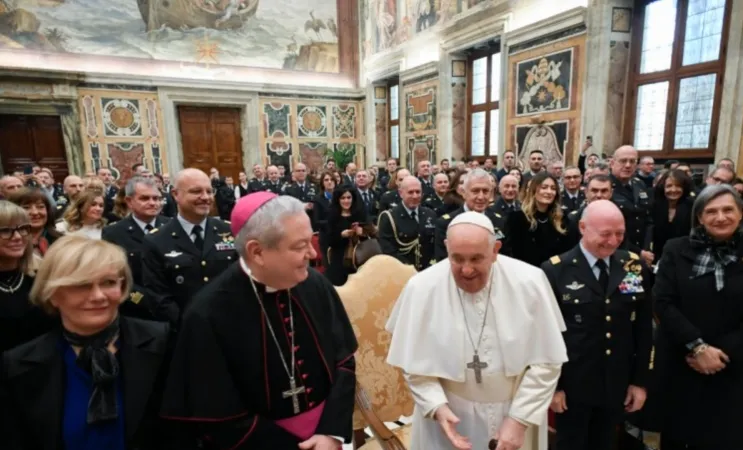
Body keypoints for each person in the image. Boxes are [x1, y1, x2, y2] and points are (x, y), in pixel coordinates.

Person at [160, 192, 358, 449]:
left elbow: (344, 359)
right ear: (257, 251)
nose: (312, 254)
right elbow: (218, 414)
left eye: (311, 241)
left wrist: (332, 432)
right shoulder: (207, 313)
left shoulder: (315, 284)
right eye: (299, 246)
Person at [386, 211, 568, 450]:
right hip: (450, 419)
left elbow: (548, 362)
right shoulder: (422, 287)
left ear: (495, 250)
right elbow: (414, 366)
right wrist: (437, 407)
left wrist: (519, 419)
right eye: (457, 258)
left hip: (516, 413)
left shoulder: (530, 282)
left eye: (476, 259)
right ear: (446, 247)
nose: (467, 270)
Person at [0, 236, 172, 449]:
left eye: (108, 282)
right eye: (81, 285)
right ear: (52, 294)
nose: (98, 296)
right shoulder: (19, 366)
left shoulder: (162, 344)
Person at [541, 200, 653, 450]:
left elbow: (643, 329)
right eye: (605, 234)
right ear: (583, 227)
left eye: (620, 234)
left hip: (617, 384)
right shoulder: (555, 270)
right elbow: (545, 335)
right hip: (573, 386)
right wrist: (554, 387)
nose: (613, 241)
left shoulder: (632, 266)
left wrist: (640, 381)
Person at [653, 185, 743, 449]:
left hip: (734, 367)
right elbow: (663, 302)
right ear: (700, 217)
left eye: (728, 210)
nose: (721, 217)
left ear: (740, 213)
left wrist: (721, 353)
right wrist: (698, 346)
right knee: (679, 438)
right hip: (684, 363)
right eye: (711, 211)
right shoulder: (675, 249)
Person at [141, 168, 236, 326]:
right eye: (196, 191)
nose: (205, 197)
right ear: (175, 195)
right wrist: (191, 323)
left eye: (209, 191)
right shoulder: (156, 240)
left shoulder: (229, 231)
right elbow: (157, 296)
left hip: (229, 327)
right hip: (183, 332)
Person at [102, 177, 170, 321]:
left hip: (172, 306)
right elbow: (116, 275)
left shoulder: (172, 227)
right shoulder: (114, 233)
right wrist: (146, 301)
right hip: (136, 310)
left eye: (157, 198)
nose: (153, 203)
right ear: (129, 201)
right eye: (145, 198)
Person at [434, 169, 506, 262]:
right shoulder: (446, 223)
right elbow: (443, 262)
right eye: (475, 191)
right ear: (463, 193)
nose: (481, 197)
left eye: (485, 191)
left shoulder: (499, 221)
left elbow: (505, 258)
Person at [377, 176, 436, 271]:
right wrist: (409, 269)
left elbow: (435, 245)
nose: (415, 196)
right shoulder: (389, 217)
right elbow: (388, 250)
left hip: (427, 271)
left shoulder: (430, 214)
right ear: (401, 193)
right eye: (410, 192)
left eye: (418, 192)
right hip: (401, 271)